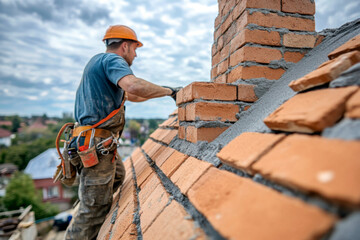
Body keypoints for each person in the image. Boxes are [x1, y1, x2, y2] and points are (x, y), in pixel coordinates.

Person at [64, 25, 180, 240]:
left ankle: (93, 207)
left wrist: (163, 93)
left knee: (118, 176)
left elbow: (132, 94)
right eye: (135, 49)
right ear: (125, 46)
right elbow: (134, 86)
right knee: (92, 210)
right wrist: (171, 91)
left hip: (95, 144)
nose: (135, 54)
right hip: (95, 146)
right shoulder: (112, 61)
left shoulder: (98, 63)